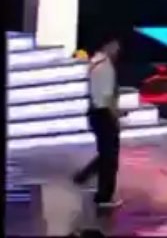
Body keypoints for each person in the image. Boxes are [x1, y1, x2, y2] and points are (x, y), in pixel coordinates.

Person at [72, 37, 123, 209]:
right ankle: (104, 196)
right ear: (108, 45)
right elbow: (107, 97)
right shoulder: (106, 66)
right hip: (103, 114)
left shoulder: (94, 62)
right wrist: (115, 117)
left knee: (105, 153)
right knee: (110, 158)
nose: (118, 50)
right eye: (115, 46)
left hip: (95, 112)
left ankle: (85, 176)